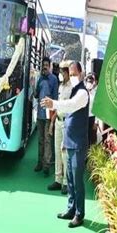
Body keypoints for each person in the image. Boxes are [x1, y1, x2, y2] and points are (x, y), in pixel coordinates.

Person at [41, 61, 89, 228]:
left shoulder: (82, 92)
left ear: (81, 73)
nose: (73, 76)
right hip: (69, 140)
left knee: (77, 180)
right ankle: (71, 208)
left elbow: (71, 105)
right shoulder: (73, 90)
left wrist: (53, 103)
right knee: (69, 178)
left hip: (78, 143)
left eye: (75, 73)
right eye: (71, 73)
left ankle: (79, 214)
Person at [47, 61, 73, 195]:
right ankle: (57, 179)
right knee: (57, 151)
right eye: (60, 72)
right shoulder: (61, 87)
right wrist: (52, 122)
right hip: (57, 121)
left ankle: (65, 182)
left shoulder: (72, 88)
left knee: (65, 154)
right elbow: (57, 105)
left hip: (66, 122)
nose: (61, 74)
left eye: (63, 72)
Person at [34, 56, 59, 176]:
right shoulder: (40, 78)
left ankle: (46, 165)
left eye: (46, 65)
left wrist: (54, 116)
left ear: (50, 66)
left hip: (49, 114)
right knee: (40, 140)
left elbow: (55, 98)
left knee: (48, 140)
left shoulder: (54, 79)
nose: (44, 67)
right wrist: (38, 82)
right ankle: (39, 162)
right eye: (43, 65)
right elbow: (35, 95)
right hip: (39, 114)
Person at [85, 73, 97, 148]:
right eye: (88, 81)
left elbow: (98, 108)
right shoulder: (83, 92)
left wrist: (96, 122)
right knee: (85, 141)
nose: (90, 83)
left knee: (92, 141)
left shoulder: (95, 93)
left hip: (92, 119)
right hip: (84, 118)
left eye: (91, 81)